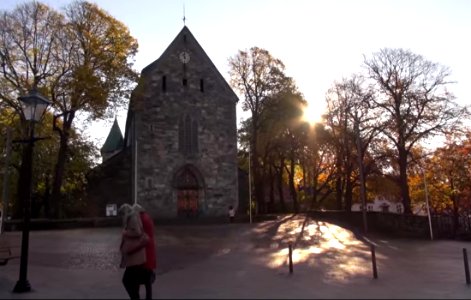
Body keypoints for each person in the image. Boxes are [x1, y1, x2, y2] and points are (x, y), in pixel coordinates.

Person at [119, 203, 149, 300]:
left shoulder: (133, 218)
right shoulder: (131, 218)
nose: (122, 217)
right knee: (133, 282)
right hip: (134, 257)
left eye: (122, 214)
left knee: (127, 281)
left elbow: (137, 232)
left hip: (136, 258)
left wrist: (126, 233)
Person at [133, 203, 157, 300]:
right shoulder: (147, 217)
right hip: (149, 250)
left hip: (144, 252)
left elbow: (137, 233)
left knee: (138, 278)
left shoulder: (141, 219)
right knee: (146, 279)